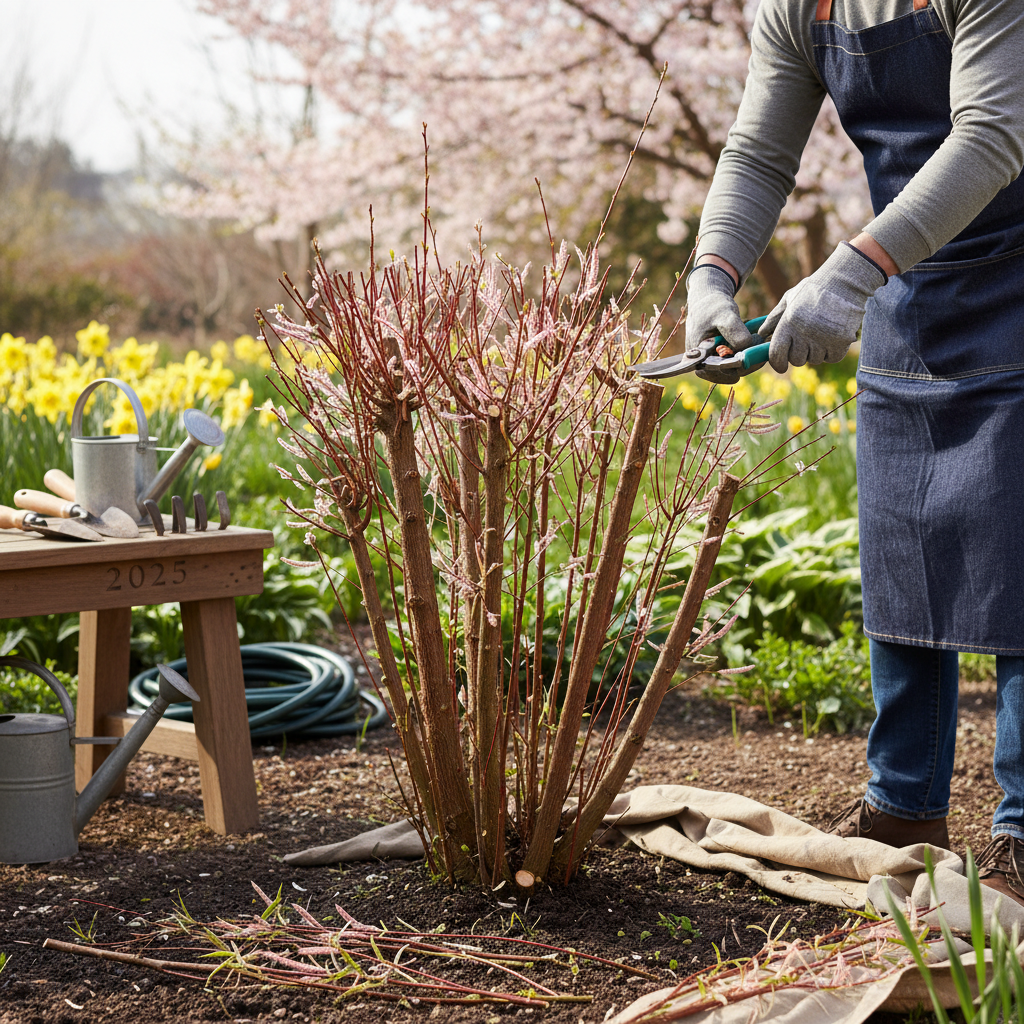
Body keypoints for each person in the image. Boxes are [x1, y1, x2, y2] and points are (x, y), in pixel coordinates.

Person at [686, 0, 1024, 906]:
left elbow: (992, 137)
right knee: (903, 555)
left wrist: (849, 274)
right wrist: (710, 275)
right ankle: (903, 818)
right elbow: (758, 154)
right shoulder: (794, 8)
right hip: (912, 290)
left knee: (1021, 572)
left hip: (1010, 279)